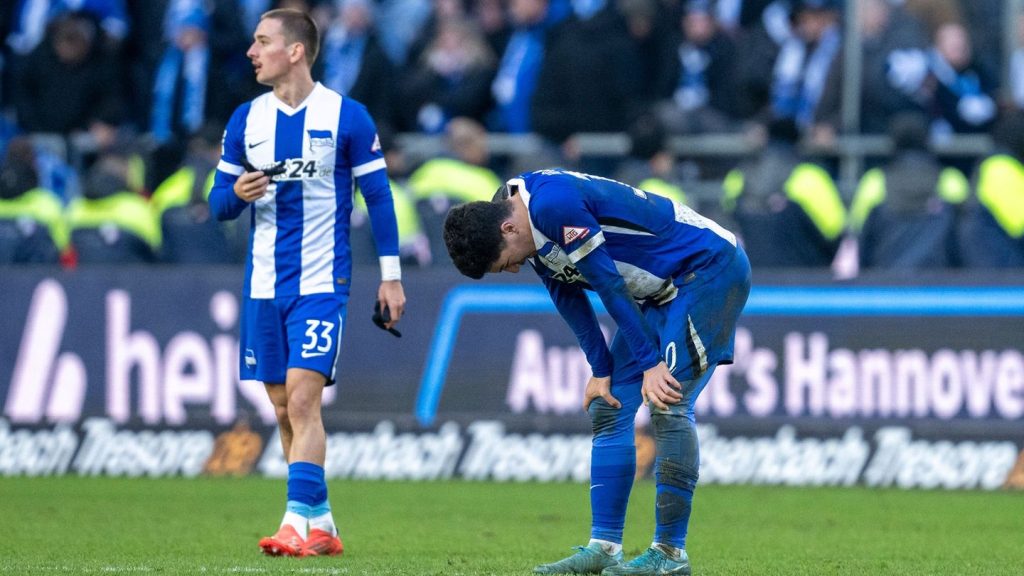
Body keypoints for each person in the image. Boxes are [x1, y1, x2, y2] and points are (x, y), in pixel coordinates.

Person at [443, 169, 750, 576]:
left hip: (706, 271)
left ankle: (671, 556)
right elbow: (563, 288)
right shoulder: (514, 206)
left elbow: (606, 282)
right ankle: (604, 547)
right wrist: (600, 367)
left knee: (668, 403)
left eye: (505, 262)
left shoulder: (552, 205)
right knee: (608, 407)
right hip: (656, 291)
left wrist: (651, 364)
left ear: (508, 226)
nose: (514, 269)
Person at [207, 8, 406, 558]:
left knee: (302, 399)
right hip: (264, 283)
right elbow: (217, 203)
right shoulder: (245, 120)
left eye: (262, 41)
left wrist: (390, 277)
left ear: (295, 51)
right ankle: (324, 525)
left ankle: (293, 521)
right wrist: (238, 195)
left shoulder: (347, 116)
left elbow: (380, 199)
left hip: (323, 281)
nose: (252, 51)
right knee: (279, 402)